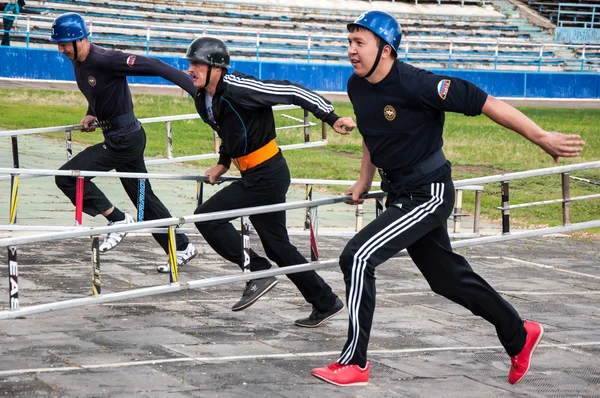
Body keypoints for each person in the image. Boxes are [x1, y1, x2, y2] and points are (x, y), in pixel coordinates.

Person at [311, 10, 586, 386]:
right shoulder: (357, 86)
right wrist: (363, 181)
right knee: (446, 279)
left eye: (360, 43)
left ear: (386, 50)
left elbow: (485, 102)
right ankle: (519, 334)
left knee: (357, 257)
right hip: (400, 192)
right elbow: (372, 137)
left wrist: (539, 136)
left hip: (429, 191)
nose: (351, 51)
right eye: (349, 43)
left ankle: (354, 363)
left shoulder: (419, 84)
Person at [184, 36, 356, 324]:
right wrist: (223, 163)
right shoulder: (204, 98)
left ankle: (257, 271)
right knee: (278, 246)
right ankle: (326, 302)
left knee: (206, 218)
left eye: (197, 63)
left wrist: (330, 116)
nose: (191, 69)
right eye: (190, 63)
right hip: (252, 173)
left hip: (267, 173)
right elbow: (229, 131)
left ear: (217, 67)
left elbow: (291, 89)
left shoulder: (239, 87)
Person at [50, 13, 198, 271]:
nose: (61, 49)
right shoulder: (79, 61)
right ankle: (182, 246)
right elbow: (100, 90)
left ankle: (117, 220)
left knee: (66, 177)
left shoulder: (107, 59)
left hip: (124, 140)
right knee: (144, 200)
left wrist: (196, 88)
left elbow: (155, 65)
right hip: (120, 136)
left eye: (64, 44)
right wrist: (92, 112)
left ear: (81, 40)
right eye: (58, 44)